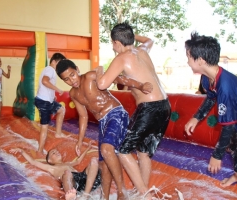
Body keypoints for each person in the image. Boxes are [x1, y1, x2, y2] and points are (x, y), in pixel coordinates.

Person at [184, 32, 237, 200]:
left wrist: (217, 156)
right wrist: (196, 117)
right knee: (235, 149)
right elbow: (210, 98)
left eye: (188, 57)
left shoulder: (226, 86)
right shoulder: (207, 78)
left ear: (200, 60)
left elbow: (228, 126)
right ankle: (236, 175)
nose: (187, 61)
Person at [56, 59, 152, 199]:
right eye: (66, 79)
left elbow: (117, 78)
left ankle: (121, 191)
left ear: (77, 69)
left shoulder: (90, 76)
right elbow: (83, 117)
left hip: (116, 113)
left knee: (107, 149)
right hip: (103, 122)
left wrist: (140, 85)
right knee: (103, 163)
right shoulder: (73, 94)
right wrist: (79, 140)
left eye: (72, 75)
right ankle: (105, 197)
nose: (71, 80)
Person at [95, 22, 171, 198]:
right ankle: (142, 191)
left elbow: (102, 84)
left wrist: (99, 72)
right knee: (143, 152)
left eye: (113, 43)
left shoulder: (122, 57)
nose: (113, 47)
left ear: (117, 43)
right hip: (165, 106)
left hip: (149, 108)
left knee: (122, 150)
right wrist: (131, 35)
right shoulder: (143, 50)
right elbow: (149, 40)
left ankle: (145, 194)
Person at [9, 141, 101, 200]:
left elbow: (78, 161)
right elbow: (33, 162)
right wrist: (21, 151)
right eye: (53, 153)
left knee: (94, 160)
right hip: (72, 183)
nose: (56, 152)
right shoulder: (51, 168)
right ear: (49, 160)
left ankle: (86, 195)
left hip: (83, 179)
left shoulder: (68, 163)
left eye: (56, 151)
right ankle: (71, 197)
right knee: (67, 173)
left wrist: (88, 148)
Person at [35, 53, 69, 154]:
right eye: (59, 63)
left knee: (61, 109)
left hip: (47, 100)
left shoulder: (49, 70)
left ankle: (58, 133)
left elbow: (45, 85)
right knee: (44, 127)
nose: (60, 67)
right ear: (53, 61)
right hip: (43, 102)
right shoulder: (50, 69)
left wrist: (52, 94)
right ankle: (40, 151)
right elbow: (45, 81)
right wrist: (57, 89)